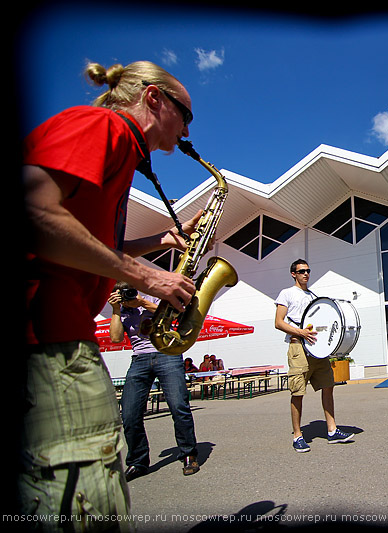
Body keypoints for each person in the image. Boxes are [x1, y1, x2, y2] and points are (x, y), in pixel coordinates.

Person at [21, 60, 201, 526]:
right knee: (87, 497)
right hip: (49, 340)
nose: (187, 127)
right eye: (186, 113)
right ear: (154, 99)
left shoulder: (117, 144)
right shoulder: (105, 126)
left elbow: (88, 241)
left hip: (60, 335)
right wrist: (146, 277)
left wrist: (158, 242)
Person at [108, 282, 200, 480]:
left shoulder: (152, 299)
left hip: (167, 353)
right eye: (122, 294)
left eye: (128, 291)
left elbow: (176, 312)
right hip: (139, 359)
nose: (127, 296)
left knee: (178, 406)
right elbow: (115, 338)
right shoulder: (121, 310)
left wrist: (140, 302)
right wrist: (116, 311)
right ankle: (137, 462)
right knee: (130, 414)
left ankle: (188, 453)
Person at [274, 259, 353, 452]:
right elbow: (278, 322)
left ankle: (332, 430)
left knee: (328, 387)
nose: (306, 274)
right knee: (298, 393)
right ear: (293, 273)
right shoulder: (287, 293)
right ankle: (297, 436)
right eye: (301, 271)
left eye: (308, 271)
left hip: (317, 350)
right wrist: (300, 332)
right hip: (298, 347)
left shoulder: (313, 295)